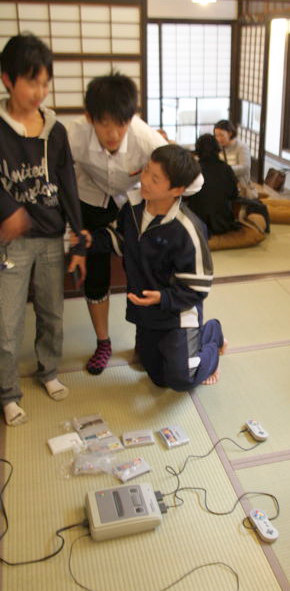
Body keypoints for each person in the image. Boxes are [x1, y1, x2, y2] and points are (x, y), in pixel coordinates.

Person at [75, 144, 226, 391]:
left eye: (154, 178)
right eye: (146, 171)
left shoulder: (188, 229)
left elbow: (199, 286)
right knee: (156, 376)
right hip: (145, 312)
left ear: (176, 190)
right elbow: (119, 239)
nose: (144, 180)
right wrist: (90, 241)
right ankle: (190, 347)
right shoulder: (133, 206)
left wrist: (164, 297)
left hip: (177, 313)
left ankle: (212, 336)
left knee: (181, 380)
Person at [0, 33, 86, 426]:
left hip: (51, 237)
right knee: (7, 321)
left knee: (52, 313)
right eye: (32, 81)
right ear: (7, 80)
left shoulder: (56, 131)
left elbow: (68, 183)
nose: (40, 91)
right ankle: (6, 392)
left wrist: (78, 234)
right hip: (12, 242)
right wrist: (9, 211)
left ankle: (48, 371)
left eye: (45, 83)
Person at [67, 73, 167, 375]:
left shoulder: (146, 137)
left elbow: (191, 181)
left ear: (131, 117)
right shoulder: (74, 136)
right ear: (89, 118)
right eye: (104, 123)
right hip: (90, 200)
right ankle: (103, 343)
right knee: (96, 274)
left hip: (132, 202)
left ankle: (145, 336)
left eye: (121, 123)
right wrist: (73, 229)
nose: (113, 133)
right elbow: (60, 180)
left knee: (141, 269)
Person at [186, 133, 240, 236]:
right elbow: (234, 195)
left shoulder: (193, 169)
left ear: (198, 150)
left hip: (198, 223)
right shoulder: (226, 168)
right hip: (223, 222)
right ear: (217, 148)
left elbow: (186, 195)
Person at [213, 119, 256, 198]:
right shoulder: (218, 147)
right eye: (216, 135)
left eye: (221, 135)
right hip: (223, 186)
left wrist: (225, 170)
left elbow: (245, 168)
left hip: (239, 187)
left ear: (230, 133)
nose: (218, 138)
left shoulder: (242, 147)